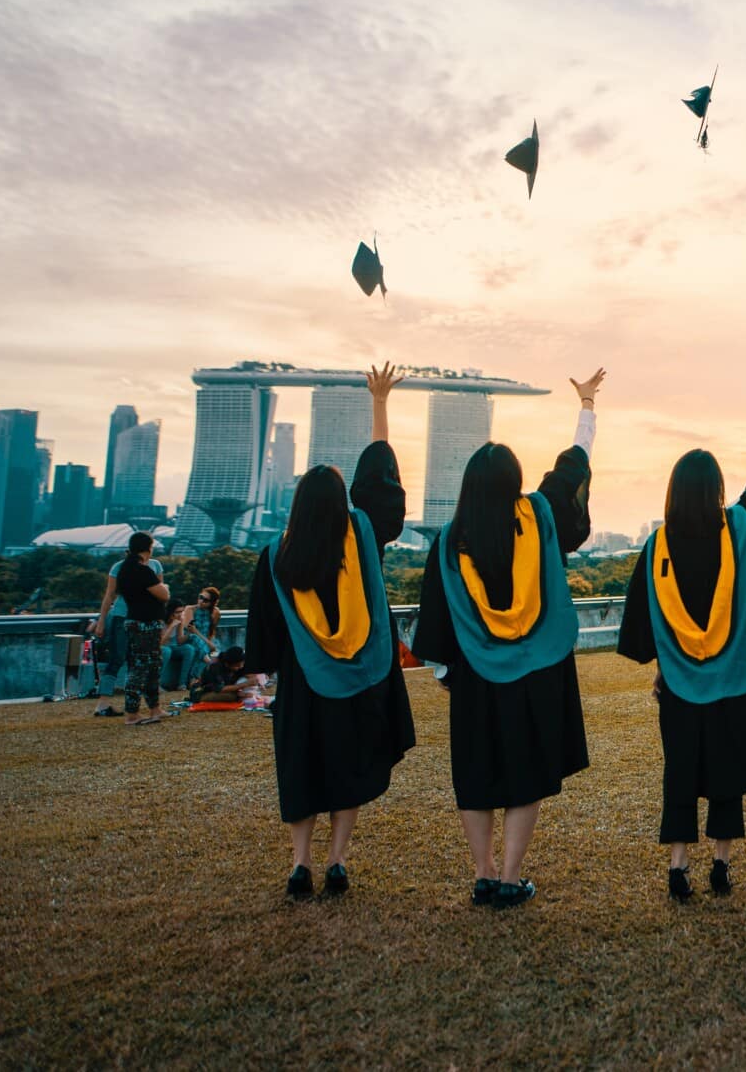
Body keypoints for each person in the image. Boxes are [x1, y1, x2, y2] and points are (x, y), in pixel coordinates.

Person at [412, 368, 605, 910]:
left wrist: (447, 672)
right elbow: (572, 467)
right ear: (516, 480)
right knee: (525, 773)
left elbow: (436, 614)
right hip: (537, 670)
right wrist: (587, 407)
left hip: (475, 672)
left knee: (477, 773)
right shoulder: (539, 514)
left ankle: (483, 872)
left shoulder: (451, 542)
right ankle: (511, 876)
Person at [246, 363, 416, 899]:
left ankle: (301, 864)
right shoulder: (362, 533)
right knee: (349, 767)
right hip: (360, 678)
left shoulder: (275, 555)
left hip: (304, 682)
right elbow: (379, 479)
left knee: (305, 771)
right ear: (343, 504)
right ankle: (338, 862)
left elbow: (265, 635)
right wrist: (380, 403)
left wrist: (275, 672)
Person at [617, 397, 746, 902]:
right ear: (717, 489)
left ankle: (678, 869)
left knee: (680, 772)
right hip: (735, 682)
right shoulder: (739, 526)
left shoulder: (658, 548)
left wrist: (664, 666)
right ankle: (720, 866)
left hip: (679, 685)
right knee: (726, 773)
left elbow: (645, 620)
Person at [92, 532, 172, 726]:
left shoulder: (129, 569)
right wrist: (101, 620)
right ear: (148, 548)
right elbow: (163, 594)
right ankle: (127, 710)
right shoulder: (139, 570)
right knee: (132, 663)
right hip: (139, 620)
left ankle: (153, 708)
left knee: (147, 665)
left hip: (135, 619)